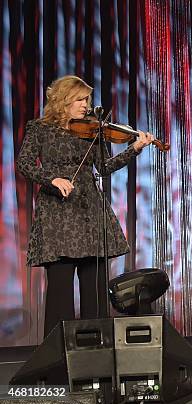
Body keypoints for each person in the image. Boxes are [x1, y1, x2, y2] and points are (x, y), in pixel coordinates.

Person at [17, 75, 155, 336]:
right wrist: (52, 179)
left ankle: (98, 348)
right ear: (63, 100)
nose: (86, 105)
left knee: (95, 291)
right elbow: (24, 164)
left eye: (87, 100)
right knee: (60, 292)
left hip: (88, 211)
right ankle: (58, 354)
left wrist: (135, 147)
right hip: (57, 214)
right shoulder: (40, 128)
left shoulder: (93, 130)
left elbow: (104, 167)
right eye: (80, 99)